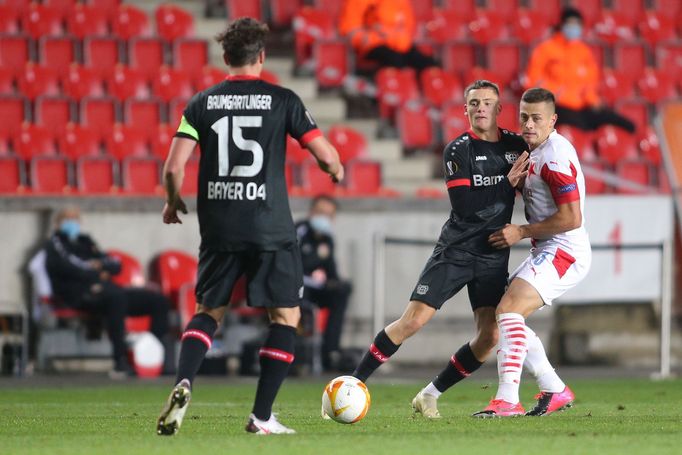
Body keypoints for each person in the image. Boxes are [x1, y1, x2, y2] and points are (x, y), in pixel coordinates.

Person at [156, 18, 344, 436]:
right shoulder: (283, 100)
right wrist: (336, 169)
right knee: (285, 316)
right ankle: (261, 417)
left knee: (208, 312)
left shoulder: (201, 103)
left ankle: (183, 382)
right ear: (262, 57)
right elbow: (325, 155)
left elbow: (173, 167)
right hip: (270, 227)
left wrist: (172, 202)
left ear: (226, 58)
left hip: (220, 227)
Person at [350, 80, 529, 419]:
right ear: (465, 109)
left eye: (487, 102)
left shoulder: (515, 147)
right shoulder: (458, 150)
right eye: (474, 102)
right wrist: (506, 183)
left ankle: (429, 394)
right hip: (456, 250)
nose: (480, 108)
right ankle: (354, 383)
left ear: (498, 109)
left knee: (489, 337)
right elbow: (463, 204)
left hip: (493, 254)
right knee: (413, 320)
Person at [473, 87, 591, 417]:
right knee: (508, 313)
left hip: (565, 249)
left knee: (509, 310)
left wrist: (521, 231)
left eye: (536, 118)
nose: (528, 124)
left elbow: (572, 218)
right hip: (550, 247)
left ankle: (508, 400)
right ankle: (554, 389)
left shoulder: (554, 157)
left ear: (552, 120)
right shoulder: (536, 150)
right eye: (523, 117)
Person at [44, 206, 171, 378]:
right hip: (79, 295)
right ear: (58, 223)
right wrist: (97, 270)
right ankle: (120, 361)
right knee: (116, 299)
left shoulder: (86, 242)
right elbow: (71, 268)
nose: (72, 223)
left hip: (106, 291)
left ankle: (155, 356)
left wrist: (99, 267)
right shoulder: (55, 244)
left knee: (158, 301)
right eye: (67, 218)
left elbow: (115, 264)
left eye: (75, 218)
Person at [524, 7, 635, 133]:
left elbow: (590, 81)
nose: (574, 28)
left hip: (582, 106)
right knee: (575, 126)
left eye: (577, 24)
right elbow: (533, 81)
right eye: (570, 24)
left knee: (625, 124)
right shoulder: (546, 49)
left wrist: (593, 100)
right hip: (557, 106)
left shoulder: (584, 51)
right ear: (562, 24)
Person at [296, 195, 352, 371]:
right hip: (297, 286)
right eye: (320, 213)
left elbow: (331, 271)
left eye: (329, 215)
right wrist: (317, 256)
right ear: (311, 212)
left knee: (342, 290)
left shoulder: (328, 240)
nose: (324, 218)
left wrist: (335, 283)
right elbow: (295, 265)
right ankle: (298, 354)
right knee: (300, 296)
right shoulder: (299, 231)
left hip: (316, 289)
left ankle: (330, 352)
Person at [339, 0, 437, 73]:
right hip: (373, 44)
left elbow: (408, 26)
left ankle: (424, 96)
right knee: (395, 60)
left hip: (399, 44)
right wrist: (366, 38)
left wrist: (399, 39)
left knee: (429, 63)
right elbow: (351, 27)